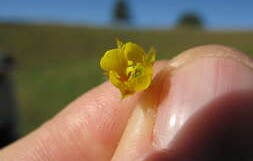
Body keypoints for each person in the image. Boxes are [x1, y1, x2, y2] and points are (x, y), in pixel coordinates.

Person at [0, 45, 253, 161]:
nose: (131, 70)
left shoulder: (142, 72)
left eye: (135, 67)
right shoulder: (125, 80)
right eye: (128, 70)